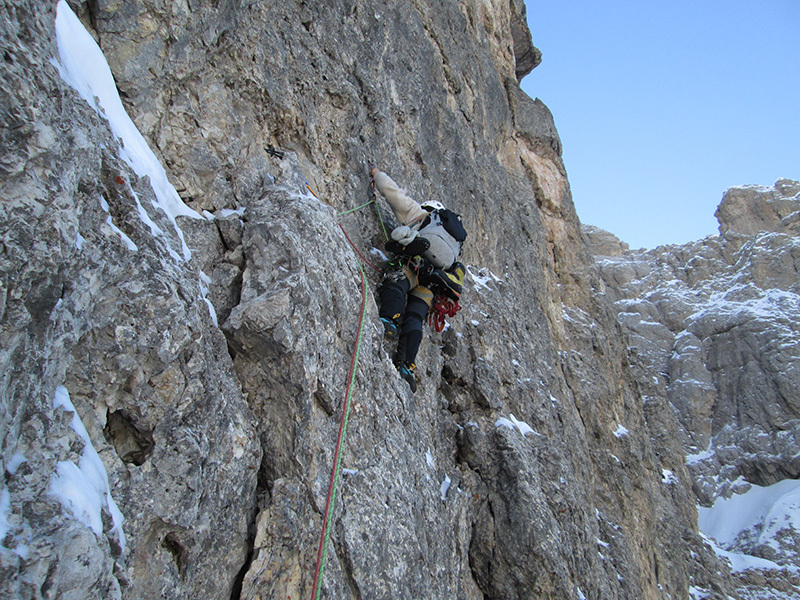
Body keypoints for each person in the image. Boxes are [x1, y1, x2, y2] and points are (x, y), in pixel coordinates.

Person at [370, 166, 467, 392]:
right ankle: (406, 364)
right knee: (416, 316)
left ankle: (390, 320)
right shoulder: (454, 244)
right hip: (432, 282)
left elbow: (393, 193)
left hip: (414, 263)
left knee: (397, 282)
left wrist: (376, 174)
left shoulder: (422, 216)